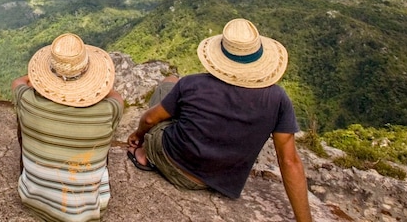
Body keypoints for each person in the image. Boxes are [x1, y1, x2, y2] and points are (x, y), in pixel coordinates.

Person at [126, 18, 313, 222]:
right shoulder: (278, 99)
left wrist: (139, 134)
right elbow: (289, 160)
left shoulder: (192, 84)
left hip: (175, 165)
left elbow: (151, 118)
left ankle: (145, 155)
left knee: (167, 84)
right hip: (222, 181)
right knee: (173, 88)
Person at [12, 33, 123, 222]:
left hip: (31, 200)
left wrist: (40, 78)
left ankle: (39, 182)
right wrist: (98, 86)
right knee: (102, 138)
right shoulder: (109, 110)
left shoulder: (27, 100)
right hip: (88, 212)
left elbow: (18, 83)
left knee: (22, 119)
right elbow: (116, 96)